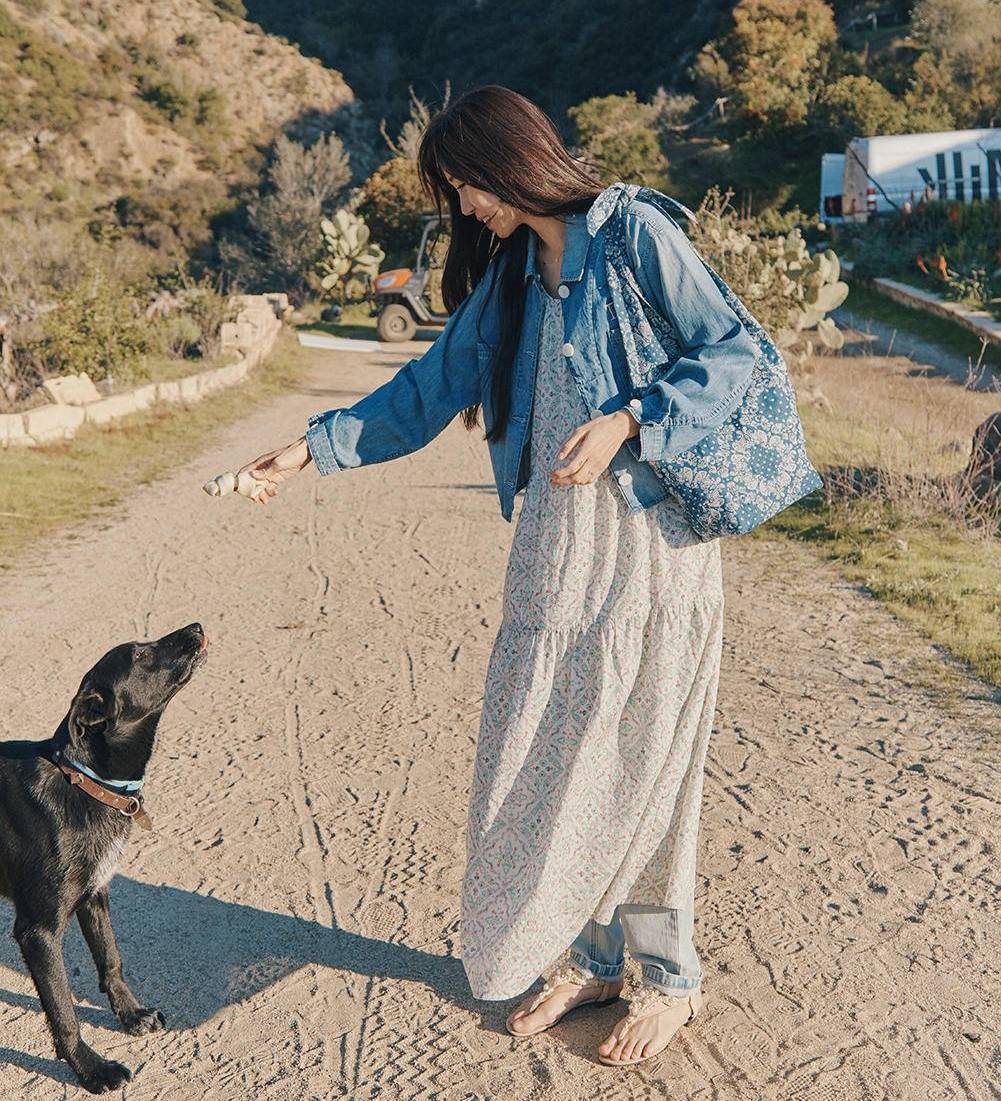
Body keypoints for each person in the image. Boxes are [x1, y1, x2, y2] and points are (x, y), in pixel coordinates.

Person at [235, 85, 757, 1069]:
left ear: (509, 161)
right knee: (549, 761)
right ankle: (596, 954)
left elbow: (733, 349)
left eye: (462, 184)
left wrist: (632, 418)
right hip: (554, 555)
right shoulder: (514, 275)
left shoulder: (635, 231)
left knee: (646, 766)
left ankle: (665, 976)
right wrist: (305, 450)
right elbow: (428, 387)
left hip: (652, 549)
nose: (461, 207)